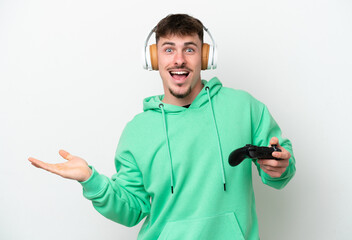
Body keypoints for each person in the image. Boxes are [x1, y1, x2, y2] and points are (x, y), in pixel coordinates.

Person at [29, 14, 296, 240]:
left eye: (189, 49)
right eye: (169, 49)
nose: (179, 60)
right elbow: (131, 210)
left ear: (204, 57)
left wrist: (279, 167)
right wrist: (92, 181)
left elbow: (281, 165)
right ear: (155, 59)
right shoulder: (137, 131)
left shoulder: (244, 107)